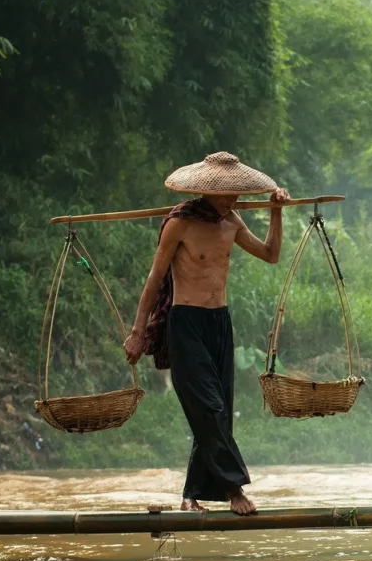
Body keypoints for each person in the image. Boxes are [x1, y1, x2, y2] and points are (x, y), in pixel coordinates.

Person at [122, 151, 290, 515]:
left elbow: (271, 254)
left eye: (236, 191)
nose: (233, 197)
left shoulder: (232, 221)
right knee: (209, 409)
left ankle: (190, 495)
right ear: (206, 192)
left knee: (218, 413)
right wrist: (137, 332)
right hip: (185, 324)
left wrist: (275, 212)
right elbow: (155, 279)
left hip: (219, 324)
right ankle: (234, 490)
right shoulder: (180, 223)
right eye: (227, 192)